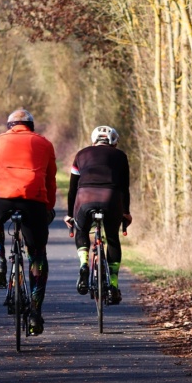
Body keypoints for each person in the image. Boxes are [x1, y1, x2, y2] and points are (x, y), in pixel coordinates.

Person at [0, 109, 57, 335]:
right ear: (31, 126)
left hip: (0, 197)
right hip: (33, 201)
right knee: (37, 255)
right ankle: (35, 313)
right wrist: (48, 207)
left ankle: (0, 260)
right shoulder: (45, 143)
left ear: (9, 126)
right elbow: (50, 180)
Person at [64, 125, 132, 304]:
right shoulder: (121, 156)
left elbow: (72, 190)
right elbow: (125, 188)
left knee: (82, 230)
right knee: (112, 239)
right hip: (111, 198)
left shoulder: (81, 154)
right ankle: (114, 285)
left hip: (85, 197)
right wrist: (126, 212)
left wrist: (70, 214)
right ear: (114, 142)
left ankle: (84, 264)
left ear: (94, 140)